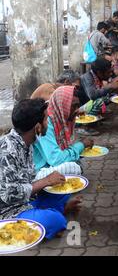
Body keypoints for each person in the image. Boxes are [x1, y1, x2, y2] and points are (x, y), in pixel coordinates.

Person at [0, 99, 82, 239]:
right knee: (56, 221)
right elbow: (9, 195)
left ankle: (52, 211)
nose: (48, 123)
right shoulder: (7, 151)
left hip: (27, 199)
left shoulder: (27, 142)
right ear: (37, 127)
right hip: (8, 210)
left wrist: (48, 182)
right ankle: (53, 215)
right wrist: (46, 181)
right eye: (45, 120)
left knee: (63, 193)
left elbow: (30, 179)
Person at [33, 86, 94, 180]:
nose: (77, 110)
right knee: (75, 167)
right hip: (38, 170)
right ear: (63, 105)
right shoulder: (46, 122)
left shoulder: (61, 116)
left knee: (77, 162)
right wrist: (81, 145)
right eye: (74, 106)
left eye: (78, 106)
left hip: (49, 163)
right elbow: (56, 159)